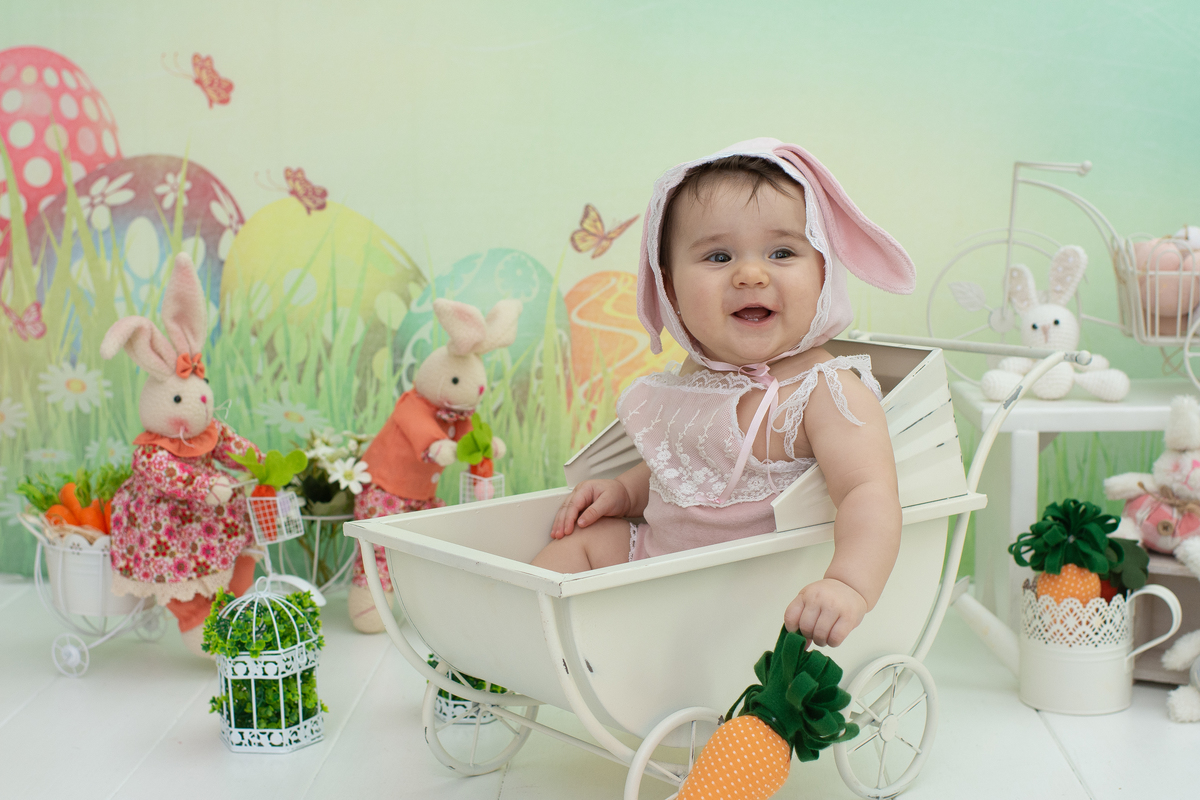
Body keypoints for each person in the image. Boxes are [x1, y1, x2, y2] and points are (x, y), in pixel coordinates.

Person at [531, 138, 916, 648]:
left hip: (746, 596)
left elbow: (868, 494)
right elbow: (686, 465)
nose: (751, 274)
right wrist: (625, 490)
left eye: (782, 252)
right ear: (669, 289)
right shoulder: (694, 377)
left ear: (824, 270)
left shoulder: (826, 391)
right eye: (718, 255)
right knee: (573, 551)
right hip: (653, 561)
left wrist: (847, 583)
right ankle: (516, 655)